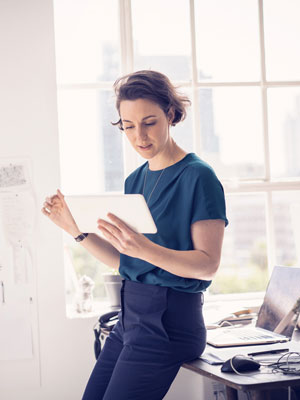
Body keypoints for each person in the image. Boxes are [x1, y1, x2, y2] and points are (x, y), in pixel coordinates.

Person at [41, 70, 228, 400]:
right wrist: (74, 230)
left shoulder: (198, 176)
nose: (139, 135)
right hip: (131, 320)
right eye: (128, 126)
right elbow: (125, 260)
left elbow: (207, 264)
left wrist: (144, 249)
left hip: (170, 324)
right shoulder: (135, 181)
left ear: (170, 114)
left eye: (149, 122)